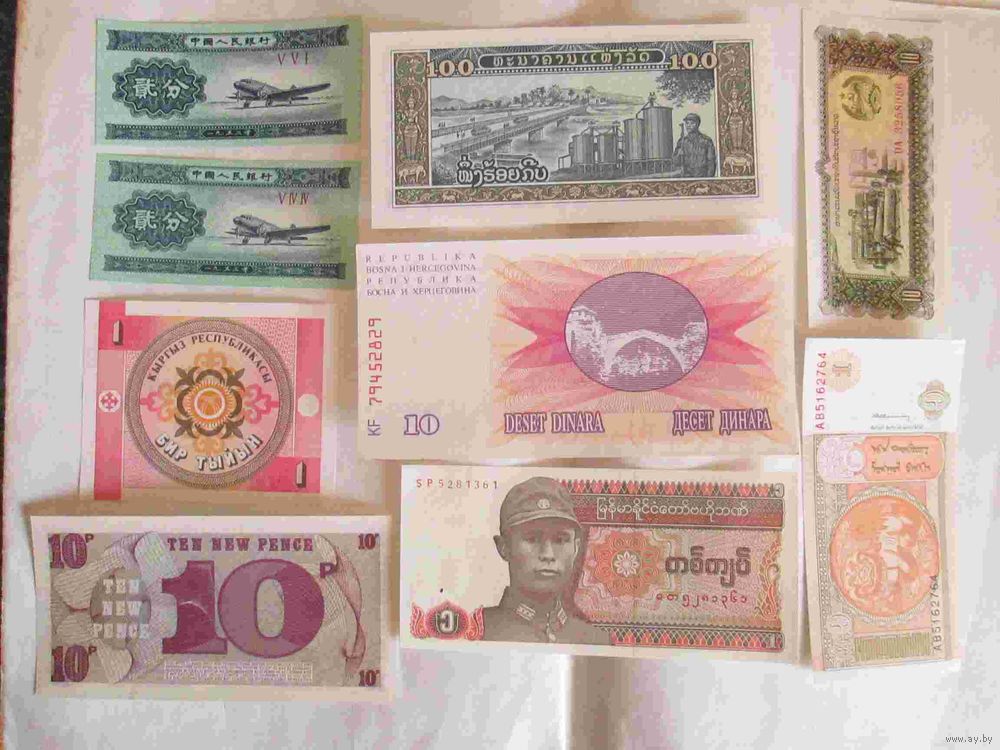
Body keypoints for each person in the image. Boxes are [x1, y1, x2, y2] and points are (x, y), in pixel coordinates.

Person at [481, 476, 610, 645]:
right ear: (503, 547)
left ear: (576, 548)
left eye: (560, 540)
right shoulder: (474, 631)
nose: (548, 554)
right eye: (532, 539)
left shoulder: (596, 641)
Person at [668, 113, 717, 178]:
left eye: (692, 123)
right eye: (687, 123)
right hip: (687, 177)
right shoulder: (682, 141)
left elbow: (711, 162)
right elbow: (675, 162)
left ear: (698, 124)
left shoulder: (706, 141)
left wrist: (709, 179)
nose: (689, 126)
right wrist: (678, 155)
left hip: (702, 176)